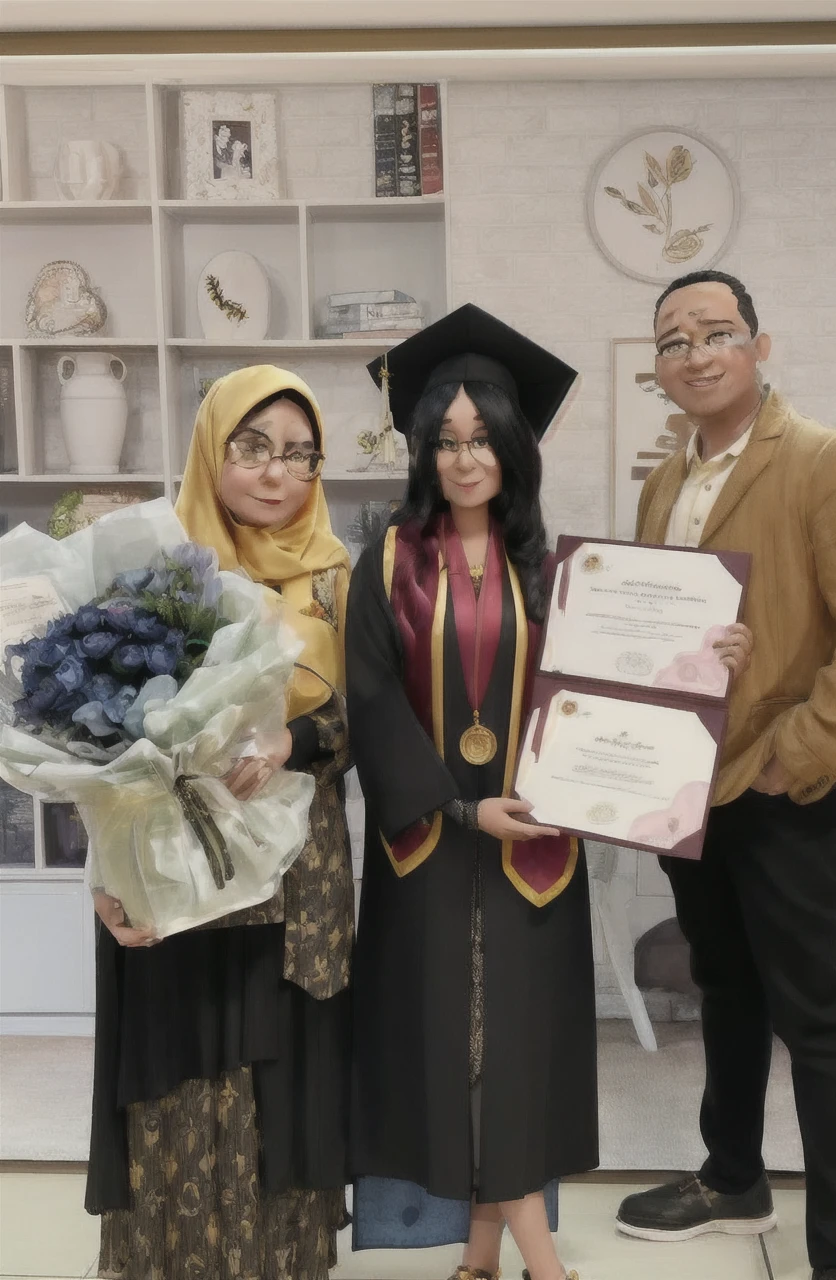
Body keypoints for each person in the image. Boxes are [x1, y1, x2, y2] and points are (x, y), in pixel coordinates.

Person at [619, 271, 836, 1280]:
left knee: (814, 1011)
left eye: (716, 332)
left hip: (775, 788)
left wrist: (794, 756)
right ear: (657, 370)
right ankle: (732, 1175)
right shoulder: (664, 482)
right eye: (674, 340)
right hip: (684, 786)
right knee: (724, 987)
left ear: (762, 345)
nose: (696, 352)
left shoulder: (829, 464)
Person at [85, 366, 354, 1280]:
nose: (277, 474)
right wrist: (104, 874)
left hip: (296, 870)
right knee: (181, 1069)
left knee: (278, 1075)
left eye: (298, 455)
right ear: (211, 446)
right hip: (173, 863)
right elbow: (91, 734)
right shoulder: (152, 568)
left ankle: (280, 1263)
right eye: (253, 448)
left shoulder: (335, 579)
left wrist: (298, 736)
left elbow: (375, 719)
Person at [346, 304, 597, 1280]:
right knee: (456, 1050)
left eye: (483, 437)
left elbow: (606, 699)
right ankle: (543, 1258)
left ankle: (486, 1249)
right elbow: (370, 697)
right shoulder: (391, 563)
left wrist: (700, 657)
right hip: (431, 843)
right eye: (444, 440)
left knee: (514, 1054)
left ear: (515, 445)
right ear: (421, 449)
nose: (463, 459)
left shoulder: (556, 568)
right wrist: (457, 806)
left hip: (534, 844)